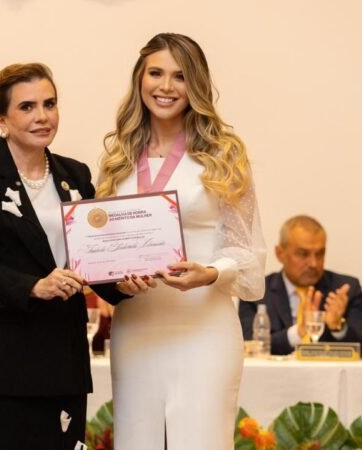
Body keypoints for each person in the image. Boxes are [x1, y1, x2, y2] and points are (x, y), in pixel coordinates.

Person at [0, 63, 128, 449]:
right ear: (1, 120)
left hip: (62, 367)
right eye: (27, 107)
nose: (42, 116)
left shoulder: (75, 176)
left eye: (50, 103)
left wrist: (127, 282)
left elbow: (91, 257)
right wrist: (32, 287)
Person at [96, 33, 266, 449]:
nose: (166, 87)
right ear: (140, 79)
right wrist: (115, 278)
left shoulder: (223, 153)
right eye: (156, 73)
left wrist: (209, 273)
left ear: (197, 86)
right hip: (136, 330)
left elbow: (249, 252)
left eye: (180, 76)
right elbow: (103, 242)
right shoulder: (119, 156)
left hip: (203, 331)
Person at [239, 215, 362, 355]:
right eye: (303, 254)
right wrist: (299, 332)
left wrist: (337, 328)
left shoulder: (345, 290)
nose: (313, 263)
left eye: (320, 254)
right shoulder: (256, 291)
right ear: (280, 253)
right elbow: (249, 348)